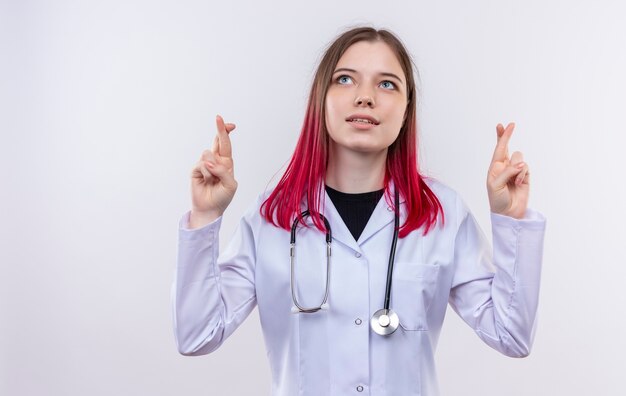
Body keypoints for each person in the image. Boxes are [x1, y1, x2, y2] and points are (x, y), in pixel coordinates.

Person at [171, 26, 546, 396]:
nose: (365, 97)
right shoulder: (272, 218)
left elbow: (511, 335)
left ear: (406, 110)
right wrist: (205, 217)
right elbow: (196, 335)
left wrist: (511, 219)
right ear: (321, 98)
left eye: (387, 84)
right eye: (346, 79)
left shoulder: (443, 214)